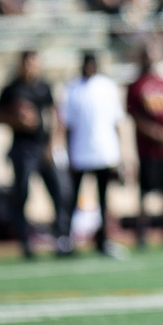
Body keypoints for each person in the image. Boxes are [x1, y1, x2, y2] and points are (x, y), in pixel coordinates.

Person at [0, 50, 72, 259]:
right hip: (22, 147)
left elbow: (54, 116)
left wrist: (52, 146)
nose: (31, 67)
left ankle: (62, 239)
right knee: (22, 193)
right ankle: (25, 243)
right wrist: (17, 120)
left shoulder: (43, 87)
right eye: (27, 63)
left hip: (43, 147)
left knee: (60, 191)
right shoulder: (11, 89)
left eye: (34, 63)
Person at [63, 51, 126, 259]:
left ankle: (103, 239)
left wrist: (120, 154)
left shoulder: (107, 87)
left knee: (104, 199)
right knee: (73, 198)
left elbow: (117, 122)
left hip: (104, 152)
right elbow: (67, 125)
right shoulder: (72, 88)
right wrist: (68, 153)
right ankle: (68, 240)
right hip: (80, 153)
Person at [126, 42, 163, 247]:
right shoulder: (136, 86)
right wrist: (154, 132)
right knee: (145, 192)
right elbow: (134, 115)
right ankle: (141, 232)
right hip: (147, 148)